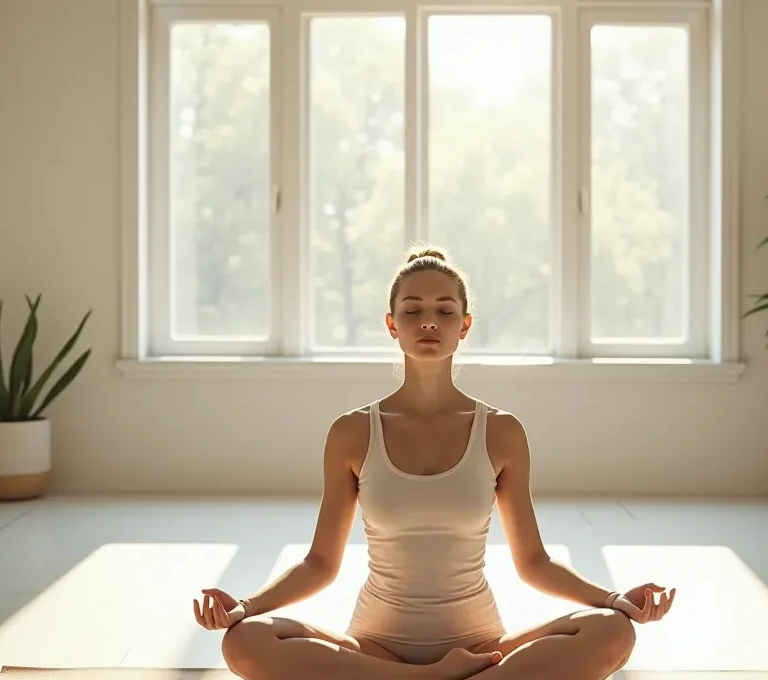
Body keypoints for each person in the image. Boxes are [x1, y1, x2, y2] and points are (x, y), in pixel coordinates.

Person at [192, 246, 677, 680]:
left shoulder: (501, 431)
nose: (429, 322)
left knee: (613, 632)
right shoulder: (352, 432)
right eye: (413, 310)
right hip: (373, 649)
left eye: (445, 311)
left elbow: (534, 562)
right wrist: (245, 606)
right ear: (392, 324)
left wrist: (615, 600)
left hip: (482, 650)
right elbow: (321, 563)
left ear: (464, 326)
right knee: (244, 642)